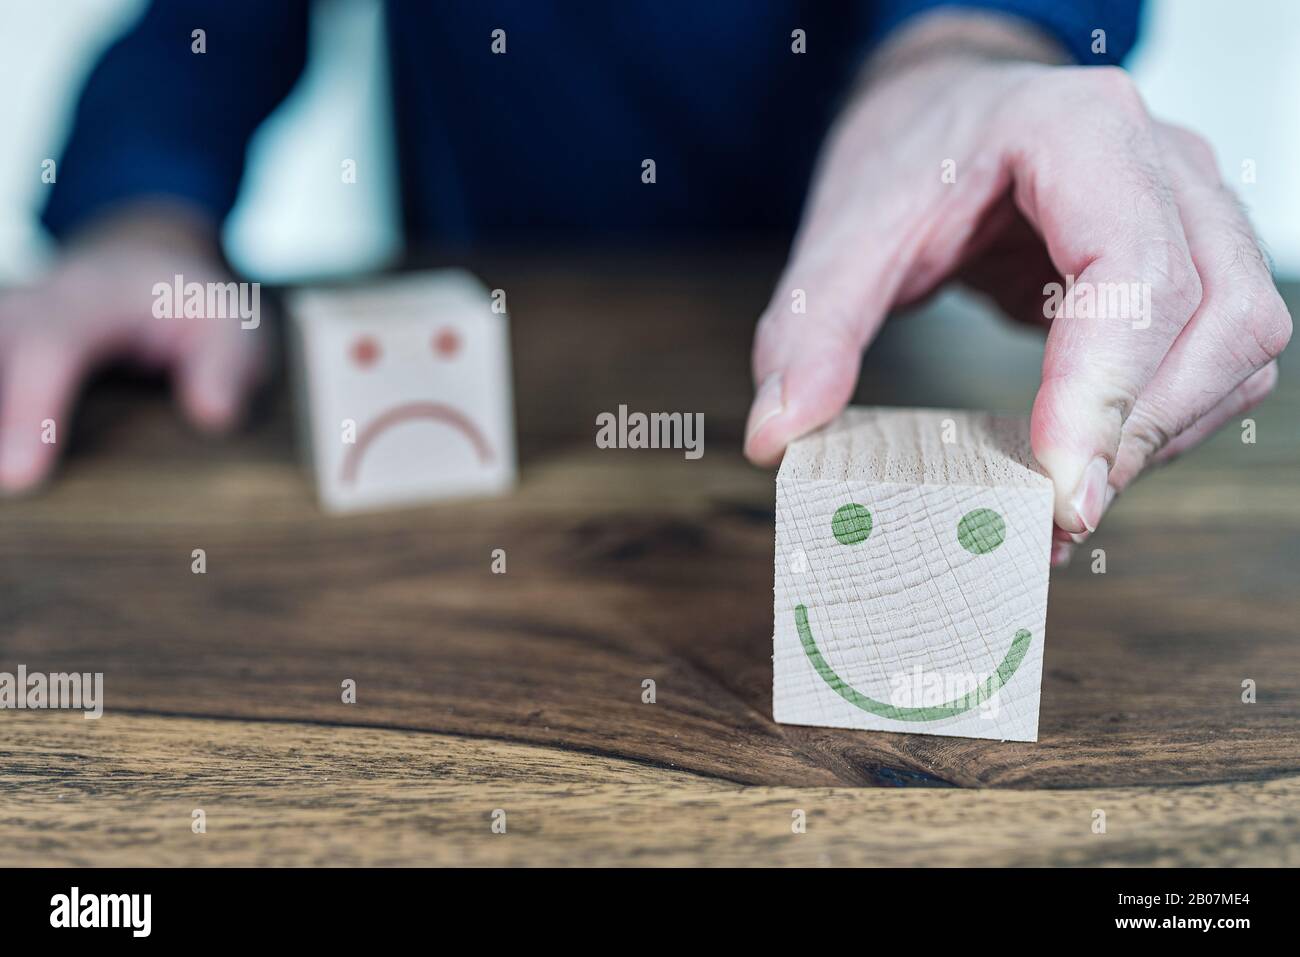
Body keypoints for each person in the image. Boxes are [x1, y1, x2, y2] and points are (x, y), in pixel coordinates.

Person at [3, 1, 1290, 567]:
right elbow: (204, 25)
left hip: (893, 315)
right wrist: (141, 213)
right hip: (507, 305)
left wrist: (967, 48)